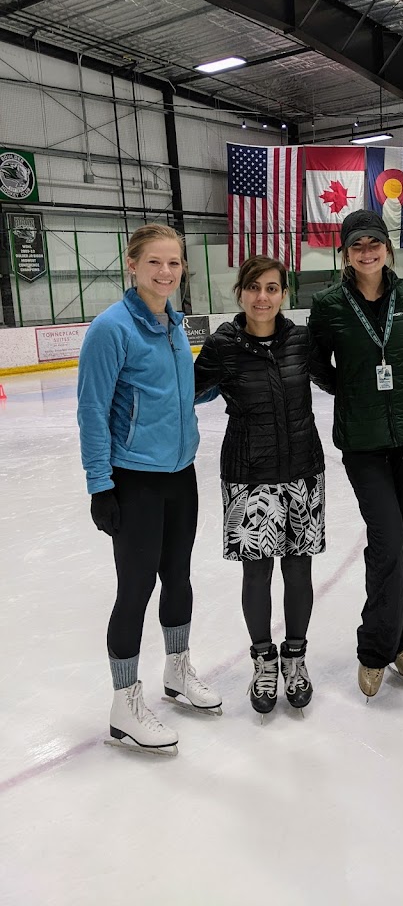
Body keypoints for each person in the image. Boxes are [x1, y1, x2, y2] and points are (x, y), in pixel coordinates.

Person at [77, 223, 221, 757]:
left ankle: (177, 671)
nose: (166, 272)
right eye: (155, 262)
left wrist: (224, 378)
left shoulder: (173, 324)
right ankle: (124, 702)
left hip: (180, 473)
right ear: (132, 265)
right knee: (135, 589)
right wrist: (100, 484)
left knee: (178, 577)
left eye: (174, 263)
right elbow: (92, 411)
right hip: (134, 479)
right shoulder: (111, 328)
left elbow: (176, 394)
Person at [308, 209, 403, 699]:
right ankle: (374, 650)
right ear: (345, 253)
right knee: (387, 540)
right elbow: (316, 364)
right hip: (363, 443)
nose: (367, 252)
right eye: (357, 245)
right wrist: (351, 391)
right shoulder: (328, 304)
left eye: (374, 243)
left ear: (387, 247)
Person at [194, 255, 325, 716]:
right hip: (248, 474)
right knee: (257, 573)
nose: (262, 297)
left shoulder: (301, 340)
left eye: (272, 288)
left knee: (299, 570)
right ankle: (264, 660)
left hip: (303, 469)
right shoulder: (222, 345)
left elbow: (338, 379)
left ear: (284, 294)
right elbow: (184, 392)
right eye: (253, 288)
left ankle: (295, 658)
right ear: (240, 293)